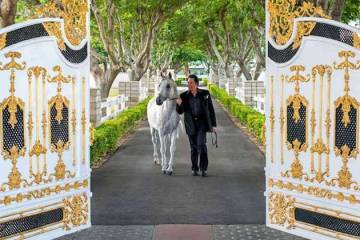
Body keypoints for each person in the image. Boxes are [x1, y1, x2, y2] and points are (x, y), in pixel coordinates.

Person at [176, 74, 217, 177]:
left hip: (202, 122)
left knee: (201, 145)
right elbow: (180, 112)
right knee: (193, 147)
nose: (189, 84)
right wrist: (179, 104)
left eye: (191, 83)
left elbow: (211, 110)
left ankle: (203, 169)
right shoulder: (184, 95)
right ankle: (194, 168)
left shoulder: (205, 94)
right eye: (188, 83)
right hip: (190, 123)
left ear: (196, 84)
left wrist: (213, 125)